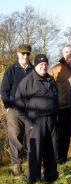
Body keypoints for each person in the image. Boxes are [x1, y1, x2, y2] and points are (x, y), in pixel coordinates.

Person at [15, 54, 59, 183]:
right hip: (35, 121)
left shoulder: (51, 80)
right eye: (41, 64)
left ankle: (51, 176)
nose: (44, 66)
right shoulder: (28, 81)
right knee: (36, 149)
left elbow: (56, 98)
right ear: (35, 65)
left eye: (45, 64)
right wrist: (29, 116)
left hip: (51, 120)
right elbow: (18, 101)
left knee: (51, 149)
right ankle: (34, 179)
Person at [0, 44, 34, 175]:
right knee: (15, 135)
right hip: (14, 109)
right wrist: (8, 106)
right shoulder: (11, 70)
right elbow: (4, 90)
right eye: (22, 53)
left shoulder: (34, 69)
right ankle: (16, 164)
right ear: (17, 54)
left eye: (27, 54)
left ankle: (32, 163)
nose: (25, 56)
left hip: (31, 109)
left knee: (31, 135)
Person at [49, 45, 71, 163]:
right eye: (66, 52)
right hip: (63, 106)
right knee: (63, 133)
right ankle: (61, 157)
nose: (69, 54)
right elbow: (49, 85)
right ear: (63, 54)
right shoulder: (57, 68)